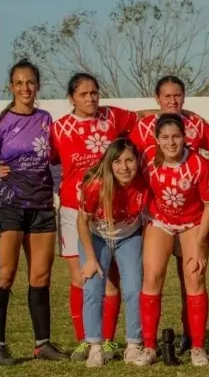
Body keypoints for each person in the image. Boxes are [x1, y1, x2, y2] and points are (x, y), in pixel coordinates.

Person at [50, 72, 143, 361]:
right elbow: (48, 160)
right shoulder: (58, 129)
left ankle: (110, 339)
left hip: (114, 210)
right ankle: (86, 341)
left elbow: (141, 118)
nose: (91, 98)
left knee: (115, 279)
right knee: (82, 276)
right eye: (83, 94)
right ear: (71, 98)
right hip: (75, 210)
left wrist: (174, 111)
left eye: (94, 92)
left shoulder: (112, 117)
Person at [129, 75, 209, 353]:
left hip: (193, 221)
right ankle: (148, 347)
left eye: (177, 95)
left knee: (193, 277)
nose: (172, 100)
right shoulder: (145, 147)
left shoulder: (198, 147)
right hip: (161, 220)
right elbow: (126, 165)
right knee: (153, 275)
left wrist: (203, 241)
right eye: (166, 96)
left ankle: (196, 345)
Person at [0, 59, 67, 363]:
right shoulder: (2, 122)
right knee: (5, 275)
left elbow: (60, 155)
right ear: (11, 87)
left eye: (30, 82)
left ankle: (43, 344)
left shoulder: (46, 119)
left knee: (40, 276)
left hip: (41, 205)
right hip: (8, 205)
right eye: (19, 83)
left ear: (37, 86)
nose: (25, 88)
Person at [77, 138, 149, 366]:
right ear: (109, 163)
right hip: (97, 236)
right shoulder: (95, 185)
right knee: (93, 287)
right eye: (117, 161)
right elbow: (82, 221)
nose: (124, 167)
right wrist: (90, 258)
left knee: (134, 288)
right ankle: (95, 346)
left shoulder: (144, 182)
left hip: (129, 236)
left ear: (137, 161)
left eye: (129, 160)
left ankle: (134, 344)